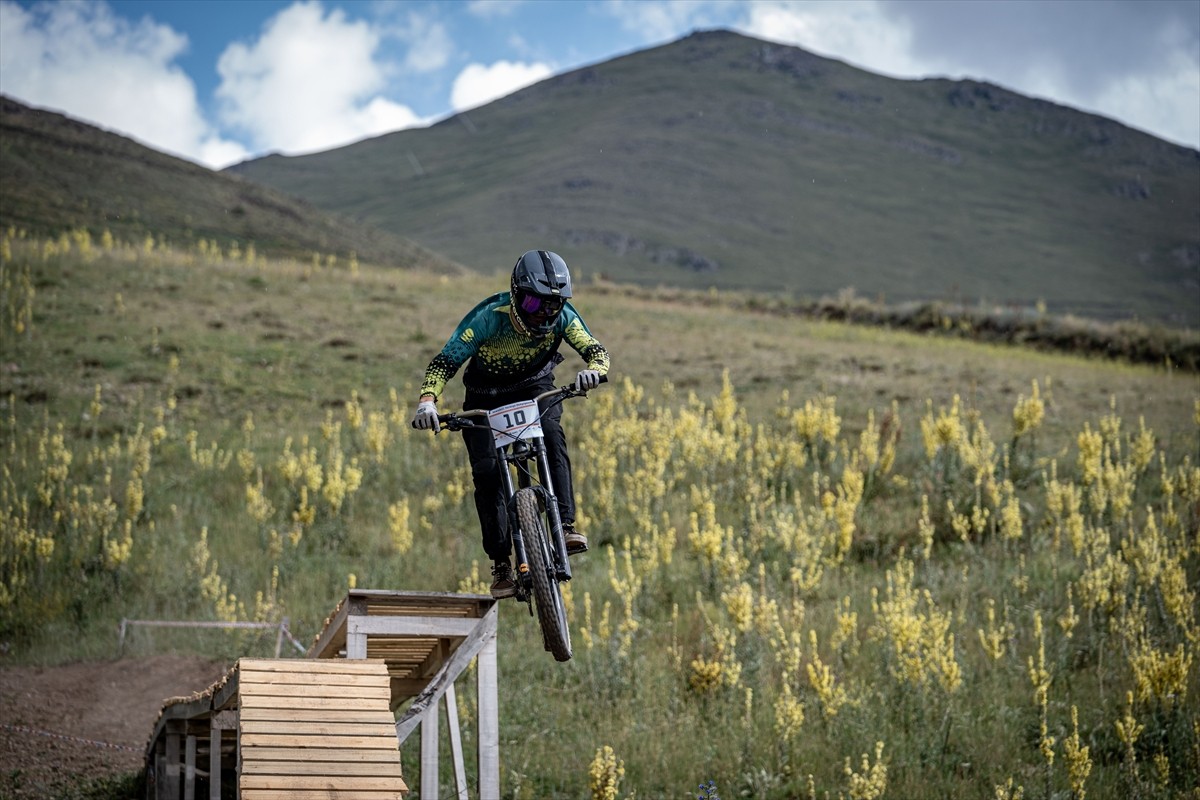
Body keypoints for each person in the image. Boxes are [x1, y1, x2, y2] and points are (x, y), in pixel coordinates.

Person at [411, 250, 610, 599]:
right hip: (485, 396)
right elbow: (444, 362)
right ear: (516, 295)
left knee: (552, 436)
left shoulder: (564, 317)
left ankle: (564, 526)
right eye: (536, 305)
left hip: (535, 386)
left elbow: (597, 351)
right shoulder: (488, 318)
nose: (546, 314)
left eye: (554, 305)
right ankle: (502, 561)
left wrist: (594, 372)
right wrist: (428, 400)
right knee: (487, 474)